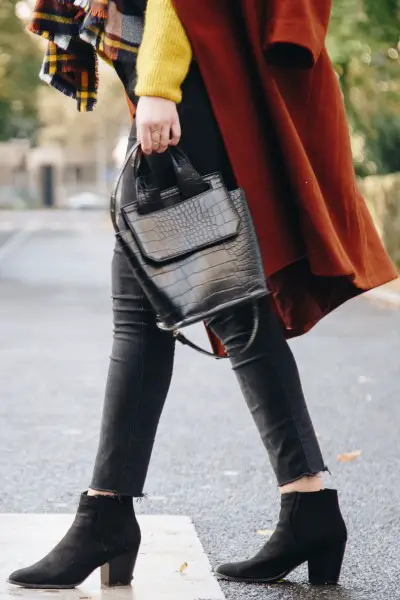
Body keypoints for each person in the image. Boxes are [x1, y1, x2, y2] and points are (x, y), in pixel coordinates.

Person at [8, 0, 397, 590]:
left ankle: (112, 515)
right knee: (191, 305)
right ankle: (304, 507)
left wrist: (160, 84)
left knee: (204, 300)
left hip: (183, 79)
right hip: (183, 78)